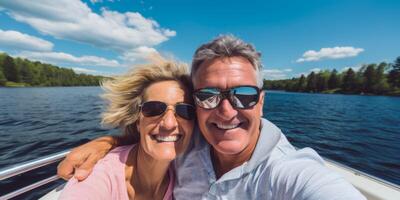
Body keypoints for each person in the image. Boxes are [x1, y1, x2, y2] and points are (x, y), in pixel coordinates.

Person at [58, 35, 366, 199]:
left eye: (243, 95)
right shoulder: (188, 144)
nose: (227, 111)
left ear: (261, 103)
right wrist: (107, 141)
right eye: (208, 96)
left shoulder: (287, 173)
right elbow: (158, 134)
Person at [59, 56, 195, 200]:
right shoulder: (99, 178)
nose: (169, 124)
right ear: (137, 120)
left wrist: (108, 142)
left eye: (184, 111)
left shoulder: (188, 171)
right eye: (154, 108)